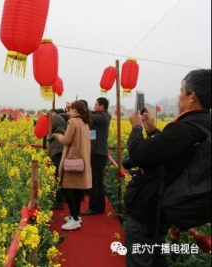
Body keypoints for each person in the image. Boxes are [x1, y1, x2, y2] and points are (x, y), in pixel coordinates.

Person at [123, 69, 211, 266]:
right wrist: (153, 130)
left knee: (141, 259)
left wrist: (137, 128)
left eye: (182, 90)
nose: (179, 95)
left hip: (149, 208)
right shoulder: (203, 125)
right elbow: (172, 154)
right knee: (155, 257)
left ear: (192, 96)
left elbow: (137, 155)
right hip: (168, 206)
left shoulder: (183, 128)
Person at [53, 100, 92, 230]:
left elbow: (66, 140)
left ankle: (74, 218)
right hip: (82, 160)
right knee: (76, 190)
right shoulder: (85, 123)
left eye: (70, 109)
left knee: (66, 188)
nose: (68, 111)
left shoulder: (73, 122)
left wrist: (58, 135)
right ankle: (75, 215)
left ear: (75, 110)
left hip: (72, 161)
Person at [82, 97, 111, 215]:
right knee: (98, 181)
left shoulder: (103, 117)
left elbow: (89, 116)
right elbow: (91, 114)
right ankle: (100, 207)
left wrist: (81, 110)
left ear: (102, 106)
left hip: (98, 153)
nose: (94, 106)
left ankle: (93, 207)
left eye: (96, 104)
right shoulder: (101, 115)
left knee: (94, 181)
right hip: (97, 152)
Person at [48, 108, 68, 210]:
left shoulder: (57, 118)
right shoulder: (64, 119)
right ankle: (60, 198)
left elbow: (47, 128)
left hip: (57, 151)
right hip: (61, 150)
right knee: (60, 175)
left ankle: (58, 200)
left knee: (57, 176)